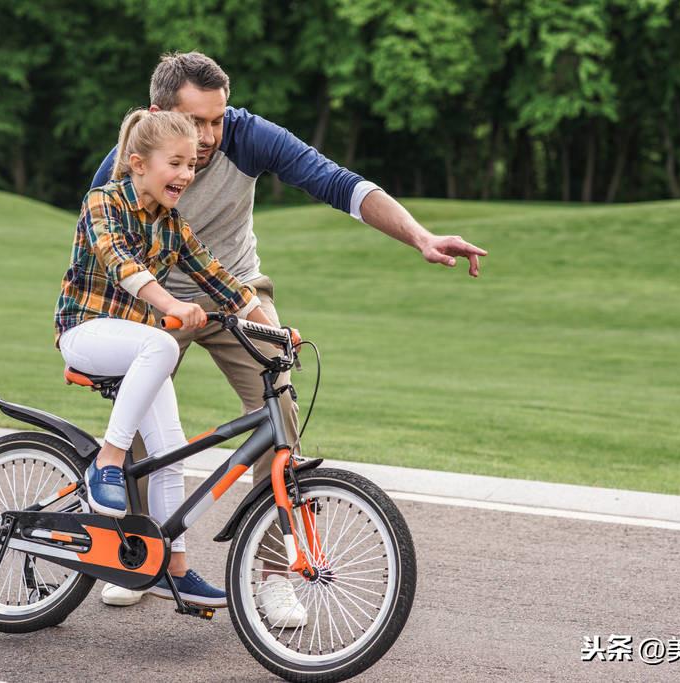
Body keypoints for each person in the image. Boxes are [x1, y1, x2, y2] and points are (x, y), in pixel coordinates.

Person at [92, 52, 488, 623]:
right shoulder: (126, 161)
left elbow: (337, 182)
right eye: (194, 121)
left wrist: (419, 236)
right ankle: (134, 555)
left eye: (215, 120)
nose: (207, 137)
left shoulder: (248, 137)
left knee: (279, 413)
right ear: (159, 114)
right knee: (131, 422)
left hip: (237, 291)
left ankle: (277, 574)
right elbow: (98, 249)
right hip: (152, 298)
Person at [55, 108, 276, 608]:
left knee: (172, 451)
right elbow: (121, 264)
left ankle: (172, 568)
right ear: (137, 163)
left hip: (136, 341)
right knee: (157, 341)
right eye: (175, 163)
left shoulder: (173, 225)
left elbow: (221, 278)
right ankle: (108, 462)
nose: (186, 174)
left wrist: (272, 327)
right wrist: (173, 305)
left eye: (191, 166)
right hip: (85, 331)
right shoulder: (102, 202)